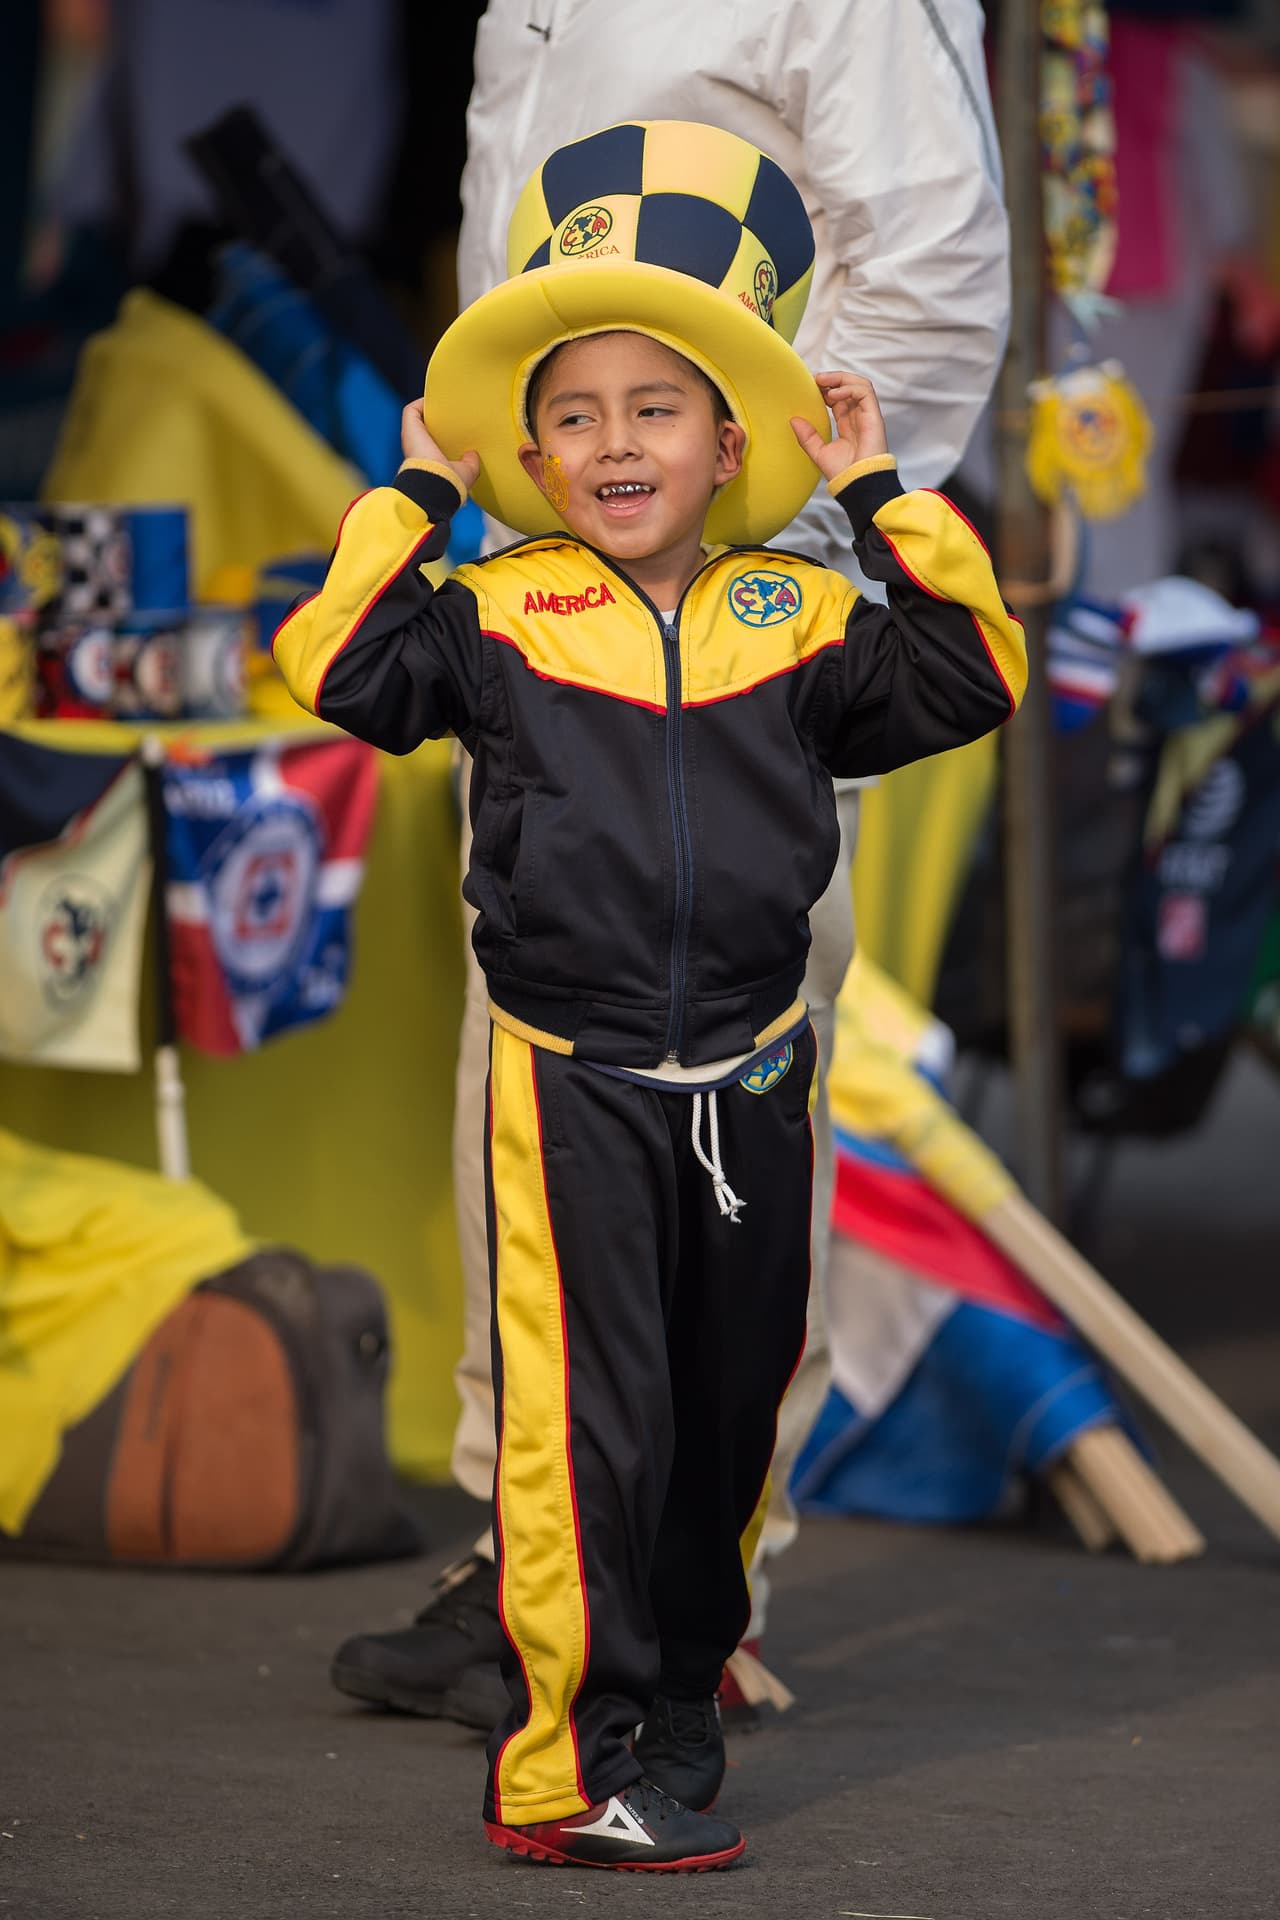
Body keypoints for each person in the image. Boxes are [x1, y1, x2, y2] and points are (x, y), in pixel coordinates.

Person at [276, 119, 1025, 1870]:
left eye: (658, 407)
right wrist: (419, 496)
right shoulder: (498, 611)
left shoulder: (800, 612)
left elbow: (972, 670)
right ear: (533, 452)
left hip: (754, 1075)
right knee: (584, 1436)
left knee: (732, 1418)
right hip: (572, 1086)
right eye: (575, 415)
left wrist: (881, 494)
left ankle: (676, 1704)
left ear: (730, 439)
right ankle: (567, 1768)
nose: (616, 442)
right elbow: (336, 664)